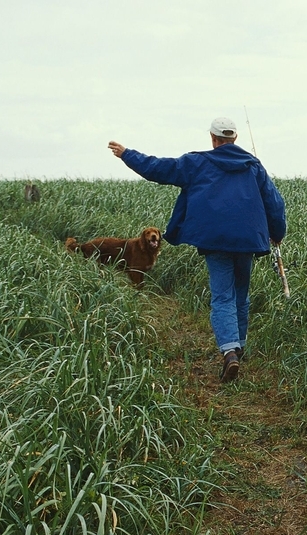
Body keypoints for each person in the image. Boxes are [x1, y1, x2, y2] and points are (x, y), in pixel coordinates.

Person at [108, 117, 286, 383]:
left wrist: (127, 154)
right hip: (248, 239)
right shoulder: (253, 165)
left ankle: (230, 353)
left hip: (215, 239)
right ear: (234, 139)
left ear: (214, 139)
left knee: (222, 296)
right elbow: (274, 201)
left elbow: (159, 169)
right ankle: (239, 347)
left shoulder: (197, 162)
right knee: (240, 295)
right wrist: (277, 233)